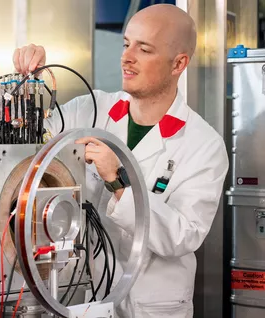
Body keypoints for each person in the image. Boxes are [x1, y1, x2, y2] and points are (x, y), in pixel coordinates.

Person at [13, 4, 228, 318]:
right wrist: (28, 87)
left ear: (178, 63)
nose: (127, 57)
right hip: (80, 294)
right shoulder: (89, 110)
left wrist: (118, 180)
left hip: (151, 305)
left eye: (144, 49)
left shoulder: (203, 144)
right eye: (126, 44)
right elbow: (22, 150)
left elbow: (183, 235)